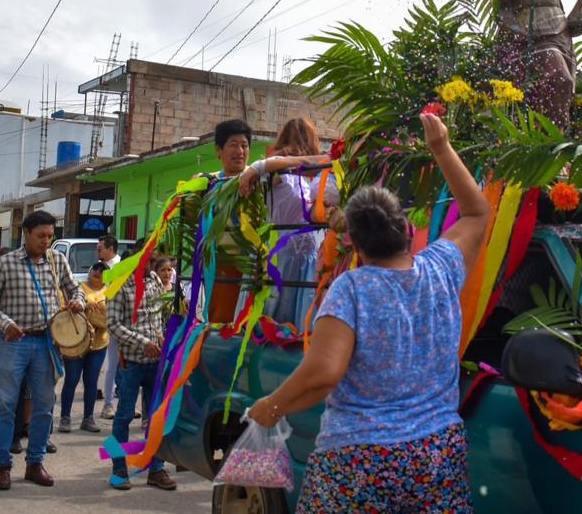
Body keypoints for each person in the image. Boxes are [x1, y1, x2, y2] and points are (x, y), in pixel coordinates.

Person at [248, 113, 487, 512]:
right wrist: (441, 148)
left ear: (355, 245)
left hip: (358, 461)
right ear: (406, 229)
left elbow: (323, 374)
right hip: (436, 457)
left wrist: (271, 407)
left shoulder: (351, 289)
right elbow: (477, 213)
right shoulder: (441, 270)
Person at [0, 210, 85, 491]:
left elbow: (76, 290)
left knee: (44, 405)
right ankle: (3, 465)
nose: (46, 241)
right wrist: (6, 324)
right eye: (41, 236)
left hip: (46, 343)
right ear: (25, 233)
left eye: (50, 236)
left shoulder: (57, 260)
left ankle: (35, 463)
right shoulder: (6, 263)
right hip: (13, 342)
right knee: (5, 404)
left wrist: (78, 302)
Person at [238, 117, 340, 329]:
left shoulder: (303, 177)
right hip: (281, 256)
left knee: (299, 315)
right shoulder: (277, 172)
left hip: (305, 257)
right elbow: (269, 165)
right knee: (274, 314)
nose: (298, 146)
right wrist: (257, 167)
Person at [107, 256, 177, 491]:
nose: (151, 266)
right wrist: (143, 342)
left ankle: (156, 469)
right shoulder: (119, 285)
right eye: (147, 261)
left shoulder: (154, 280)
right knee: (123, 417)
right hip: (131, 363)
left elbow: (160, 315)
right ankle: (118, 469)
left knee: (157, 418)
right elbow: (113, 325)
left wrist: (166, 335)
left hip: (156, 363)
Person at [208, 119, 253, 322]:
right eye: (233, 145)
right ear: (219, 150)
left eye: (244, 145)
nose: (240, 151)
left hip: (254, 266)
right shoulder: (209, 184)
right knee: (222, 322)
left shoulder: (259, 180)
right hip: (223, 265)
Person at [59, 262, 109, 434]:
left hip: (99, 344)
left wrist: (101, 312)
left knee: (91, 382)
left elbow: (113, 316)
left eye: (102, 271)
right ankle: (65, 417)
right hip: (75, 342)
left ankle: (88, 418)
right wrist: (84, 306)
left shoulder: (110, 292)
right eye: (95, 268)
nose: (98, 272)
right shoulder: (78, 288)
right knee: (71, 379)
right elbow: (64, 307)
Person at [96, 235, 121, 419]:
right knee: (111, 365)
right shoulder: (99, 267)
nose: (98, 252)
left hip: (122, 320)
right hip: (108, 321)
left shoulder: (121, 267)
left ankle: (123, 403)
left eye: (100, 248)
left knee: (123, 366)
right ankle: (108, 404)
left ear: (111, 249)